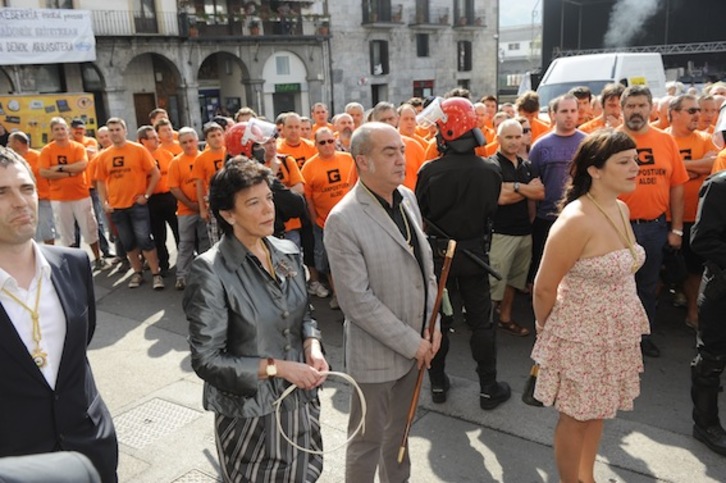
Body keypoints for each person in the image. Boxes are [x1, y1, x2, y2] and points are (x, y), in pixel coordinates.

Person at [184, 157, 328, 482]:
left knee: (307, 473)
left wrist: (312, 346)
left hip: (300, 401)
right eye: (253, 202)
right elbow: (206, 360)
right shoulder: (211, 270)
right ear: (228, 214)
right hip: (251, 416)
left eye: (269, 198)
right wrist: (278, 367)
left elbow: (303, 313)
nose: (268, 210)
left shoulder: (287, 252)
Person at [324, 122, 440, 482]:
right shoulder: (343, 219)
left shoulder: (407, 197)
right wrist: (413, 342)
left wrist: (433, 326)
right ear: (363, 161)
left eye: (401, 150)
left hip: (419, 345)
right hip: (376, 356)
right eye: (389, 152)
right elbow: (356, 301)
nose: (400, 159)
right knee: (366, 442)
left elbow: (427, 271)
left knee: (400, 435)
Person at [531, 130, 649, 483]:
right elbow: (544, 287)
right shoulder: (576, 219)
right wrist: (548, 333)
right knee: (576, 416)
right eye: (624, 162)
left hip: (614, 332)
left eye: (636, 160)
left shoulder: (621, 207)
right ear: (595, 170)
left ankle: (587, 477)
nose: (635, 168)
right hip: (580, 335)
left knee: (597, 411)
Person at [0, 146, 118, 482]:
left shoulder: (73, 263)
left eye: (26, 188)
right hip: (16, 465)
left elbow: (78, 352)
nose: (20, 202)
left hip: (91, 449)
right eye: (2, 192)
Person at [416, 97, 510, 409]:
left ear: (451, 132)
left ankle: (439, 384)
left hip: (441, 258)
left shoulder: (430, 171)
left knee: (437, 321)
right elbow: (489, 211)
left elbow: (422, 213)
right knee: (481, 323)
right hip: (474, 255)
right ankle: (488, 387)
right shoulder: (490, 170)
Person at [618, 85, 689, 357]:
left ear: (651, 108)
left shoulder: (666, 141)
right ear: (622, 109)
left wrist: (677, 229)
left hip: (654, 228)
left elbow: (677, 187)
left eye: (641, 105)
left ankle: (641, 337)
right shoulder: (608, 140)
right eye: (631, 106)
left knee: (647, 287)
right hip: (616, 228)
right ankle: (615, 339)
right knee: (615, 287)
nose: (636, 111)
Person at [489, 120, 544, 336]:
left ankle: (505, 317)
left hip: (524, 232)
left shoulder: (526, 166)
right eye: (509, 137)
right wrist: (525, 188)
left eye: (517, 136)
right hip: (501, 233)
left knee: (514, 280)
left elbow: (540, 194)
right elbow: (500, 198)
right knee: (495, 281)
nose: (514, 141)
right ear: (499, 138)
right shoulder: (492, 165)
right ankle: (487, 323)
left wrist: (515, 189)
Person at [95, 118, 164, 290]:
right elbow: (101, 182)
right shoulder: (103, 156)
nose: (114, 133)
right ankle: (137, 273)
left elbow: (155, 174)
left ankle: (156, 274)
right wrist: (104, 202)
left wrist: (146, 195)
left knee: (145, 240)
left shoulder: (138, 150)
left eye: (118, 129)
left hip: (137, 205)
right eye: (111, 130)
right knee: (127, 243)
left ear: (125, 130)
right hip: (117, 207)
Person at [528, 95, 586, 290]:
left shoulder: (587, 143)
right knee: (546, 270)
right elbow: (533, 184)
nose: (569, 116)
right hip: (546, 218)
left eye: (572, 111)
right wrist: (533, 218)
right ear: (553, 114)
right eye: (564, 111)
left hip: (580, 218)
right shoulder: (540, 146)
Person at [38, 118, 108, 270]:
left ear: (67, 130)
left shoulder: (77, 147)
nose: (60, 132)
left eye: (62, 128)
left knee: (90, 228)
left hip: (80, 194)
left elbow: (82, 166)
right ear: (52, 132)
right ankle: (73, 261)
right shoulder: (47, 150)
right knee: (66, 232)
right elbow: (44, 172)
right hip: (59, 198)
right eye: (56, 129)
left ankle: (98, 257)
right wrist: (70, 172)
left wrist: (58, 168)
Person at [690, 167, 726, 456]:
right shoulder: (719, 186)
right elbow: (701, 239)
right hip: (722, 289)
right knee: (711, 360)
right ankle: (705, 424)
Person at [167, 127, 209, 290]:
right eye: (184, 142)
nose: (188, 145)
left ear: (197, 140)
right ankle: (182, 276)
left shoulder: (204, 158)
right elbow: (174, 187)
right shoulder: (176, 162)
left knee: (206, 243)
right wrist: (190, 203)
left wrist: (202, 204)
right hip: (185, 211)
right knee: (186, 244)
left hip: (205, 209)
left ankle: (204, 274)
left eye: (191, 141)